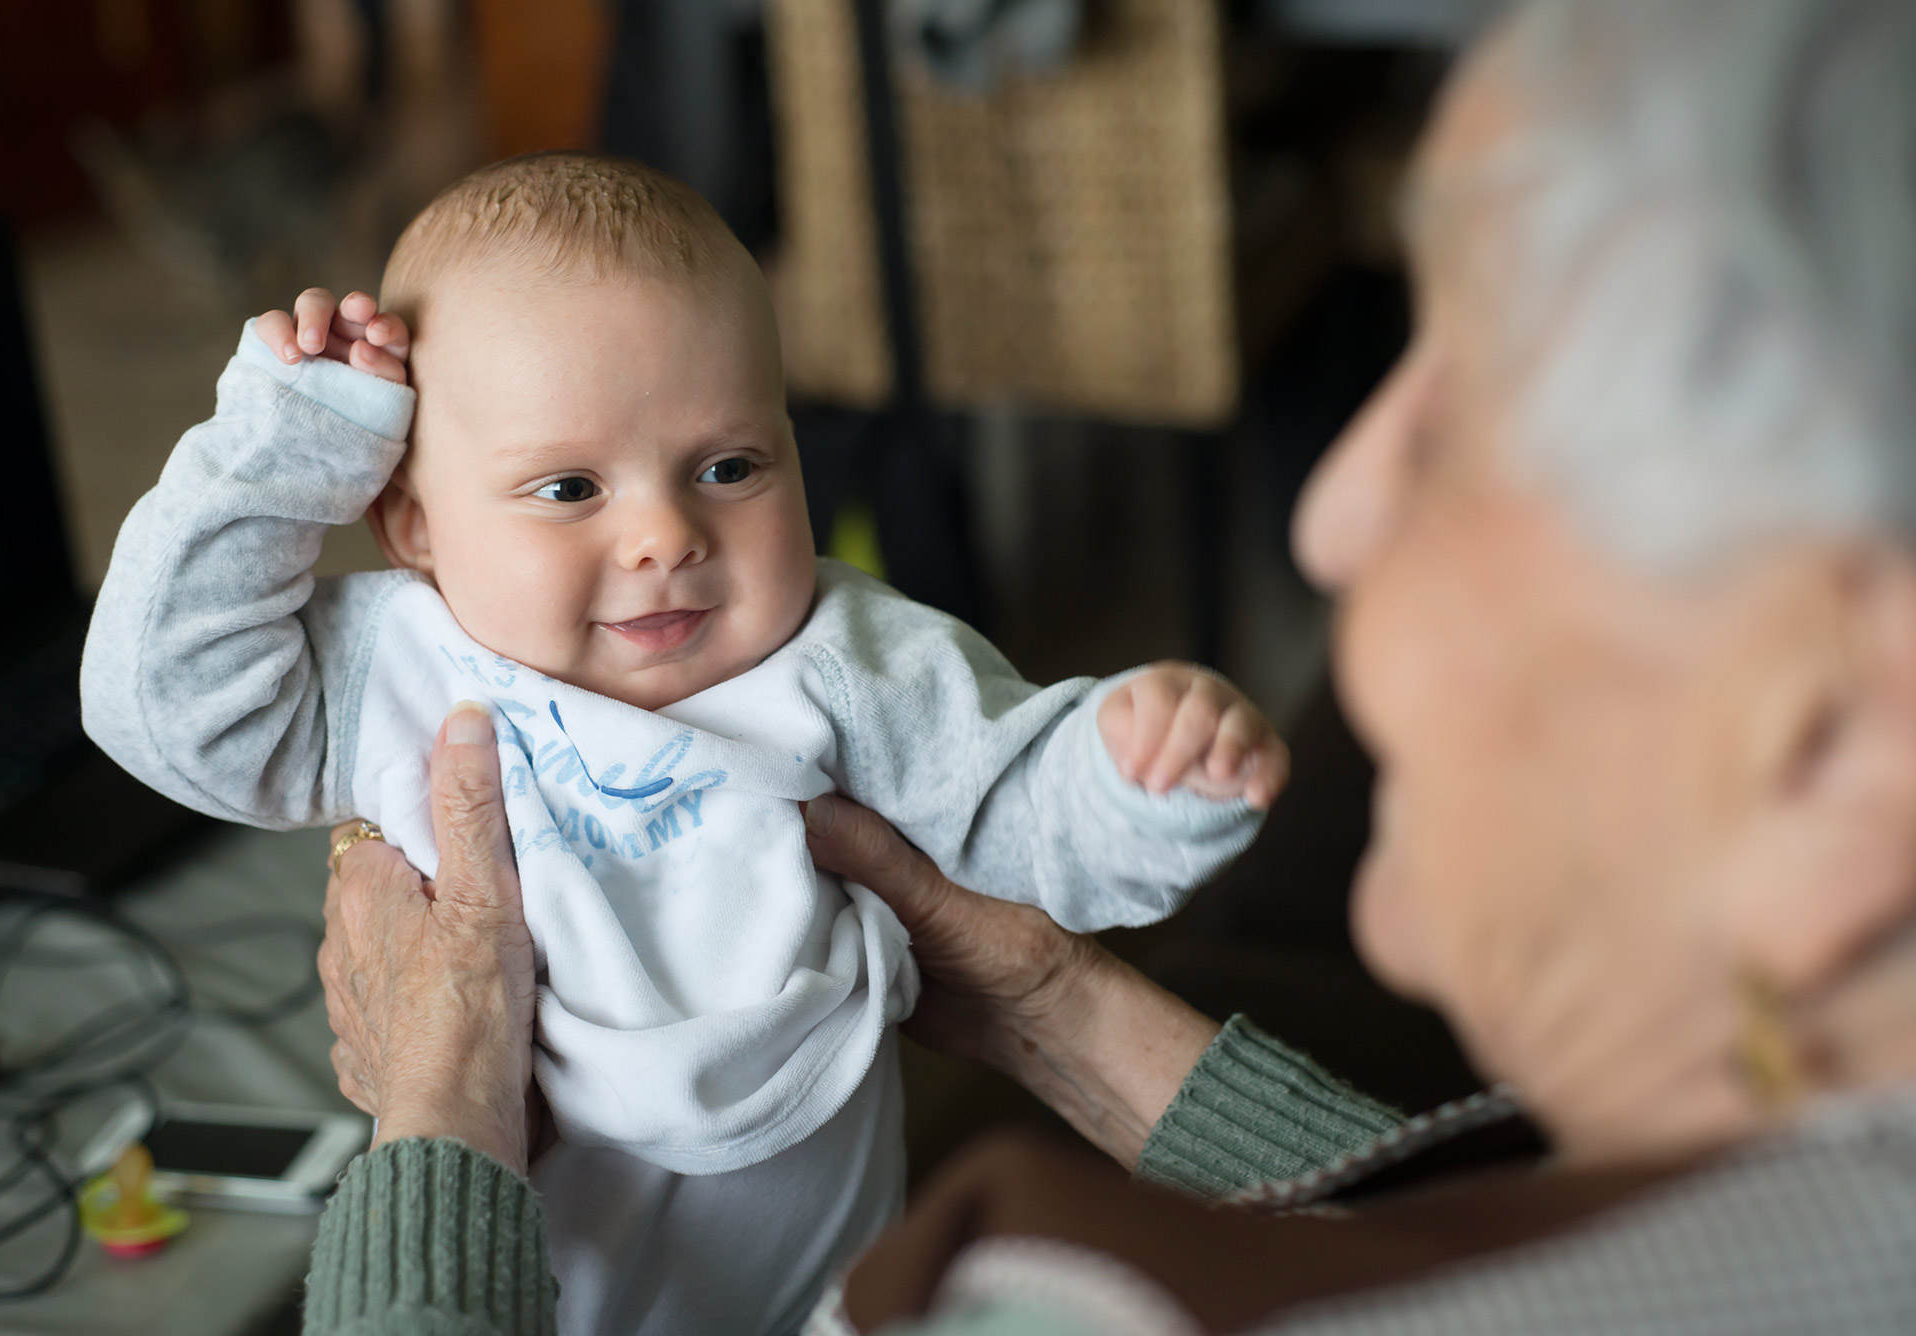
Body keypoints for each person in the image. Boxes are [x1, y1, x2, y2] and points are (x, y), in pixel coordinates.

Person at [299, 0, 1916, 1331]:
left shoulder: (1053, 1298)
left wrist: (438, 1125)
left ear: (1838, 746)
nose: (1337, 509)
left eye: (1463, 422)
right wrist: (1051, 1006)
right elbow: (1480, 1256)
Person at [79, 152, 1287, 1334]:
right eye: (567, 489)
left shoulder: (839, 656)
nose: (664, 531)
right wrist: (282, 453)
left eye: (728, 465)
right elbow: (164, 706)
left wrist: (1137, 776)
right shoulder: (402, 666)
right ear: (410, 522)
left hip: (823, 1289)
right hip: (506, 1277)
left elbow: (1016, 810)